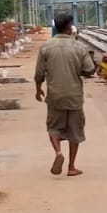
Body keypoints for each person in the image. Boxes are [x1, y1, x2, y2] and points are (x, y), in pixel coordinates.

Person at [34, 13, 95, 177]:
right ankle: (71, 167)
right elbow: (89, 70)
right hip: (74, 96)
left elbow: (39, 73)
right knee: (75, 131)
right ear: (69, 27)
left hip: (54, 95)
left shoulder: (46, 47)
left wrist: (38, 89)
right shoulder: (79, 47)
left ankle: (58, 152)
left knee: (54, 127)